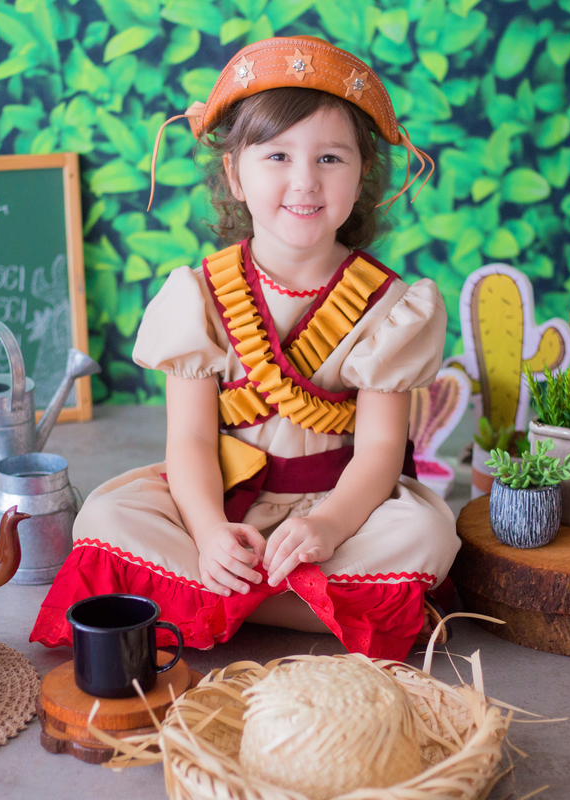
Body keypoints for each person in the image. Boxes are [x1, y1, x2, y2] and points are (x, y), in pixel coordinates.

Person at [30, 36, 460, 660]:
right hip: (222, 498)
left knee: (424, 531)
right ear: (234, 173)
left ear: (363, 174)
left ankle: (216, 603)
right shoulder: (199, 295)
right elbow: (191, 442)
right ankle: (306, 607)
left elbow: (379, 452)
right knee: (104, 516)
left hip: (337, 509)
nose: (304, 181)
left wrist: (327, 525)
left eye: (331, 158)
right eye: (277, 155)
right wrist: (208, 533)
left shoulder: (390, 307)